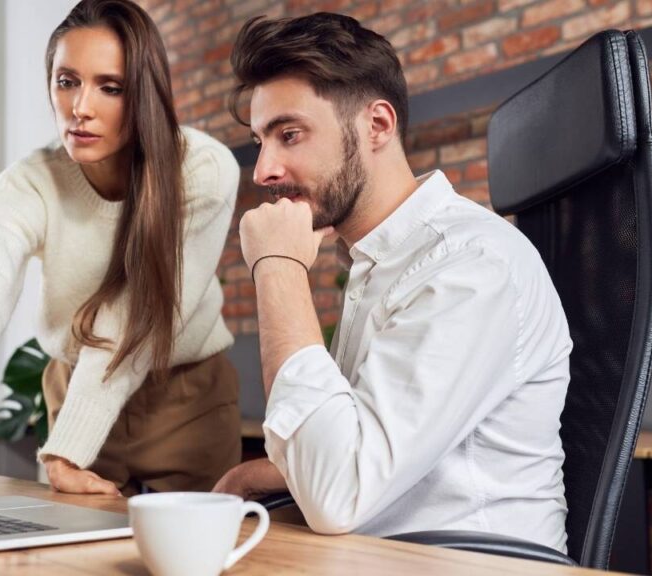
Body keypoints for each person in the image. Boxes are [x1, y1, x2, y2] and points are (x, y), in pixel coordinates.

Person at [212, 13, 573, 553]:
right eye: (261, 141)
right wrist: (255, 476)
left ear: (377, 125)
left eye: (289, 135)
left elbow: (341, 491)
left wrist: (278, 268)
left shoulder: (469, 266)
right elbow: (367, 450)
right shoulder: (380, 264)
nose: (263, 169)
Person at [0, 0, 241, 497]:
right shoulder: (33, 180)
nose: (80, 108)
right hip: (74, 392)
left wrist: (66, 447)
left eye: (110, 87)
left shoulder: (203, 171)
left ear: (145, 94)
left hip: (186, 403)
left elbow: (137, 316)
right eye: (67, 81)